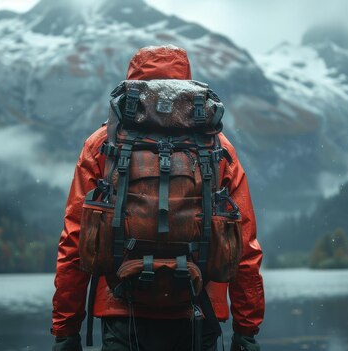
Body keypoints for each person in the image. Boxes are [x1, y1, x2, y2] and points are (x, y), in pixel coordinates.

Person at [51, 45, 264, 351]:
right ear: (187, 82)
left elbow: (75, 240)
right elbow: (244, 245)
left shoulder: (102, 144)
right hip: (199, 308)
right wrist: (247, 330)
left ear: (133, 84)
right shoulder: (218, 147)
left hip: (121, 309)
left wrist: (65, 329)